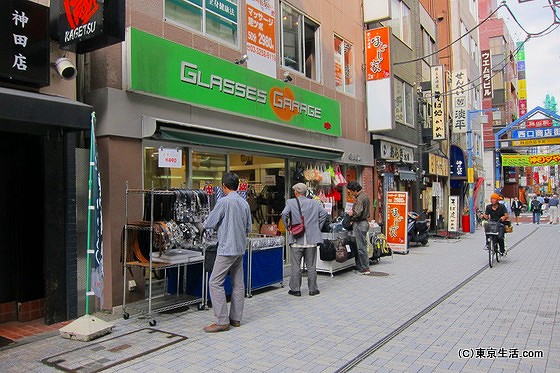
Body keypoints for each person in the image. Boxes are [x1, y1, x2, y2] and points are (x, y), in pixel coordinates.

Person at [203, 172, 252, 333]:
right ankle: (236, 319)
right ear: (237, 186)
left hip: (226, 248)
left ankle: (221, 321)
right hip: (240, 248)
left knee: (215, 282)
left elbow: (210, 223)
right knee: (238, 284)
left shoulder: (223, 202)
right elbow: (249, 228)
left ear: (223, 186)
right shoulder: (244, 203)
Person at [282, 183, 328, 297]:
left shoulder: (291, 202)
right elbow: (324, 214)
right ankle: (313, 289)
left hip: (297, 239)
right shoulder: (314, 203)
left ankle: (295, 289)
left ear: (296, 192)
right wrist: (317, 227)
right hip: (311, 240)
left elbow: (284, 213)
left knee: (296, 266)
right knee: (311, 265)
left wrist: (288, 227)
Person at [346, 181, 371, 275]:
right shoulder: (365, 196)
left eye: (351, 192)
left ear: (355, 190)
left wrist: (351, 215)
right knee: (361, 245)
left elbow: (357, 212)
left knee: (361, 247)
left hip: (360, 223)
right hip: (364, 223)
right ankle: (361, 267)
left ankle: (365, 268)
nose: (351, 194)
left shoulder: (360, 198)